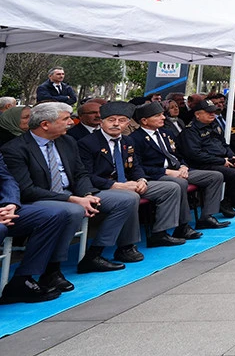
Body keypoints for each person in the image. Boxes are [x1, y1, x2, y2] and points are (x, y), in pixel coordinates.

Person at [0, 102, 140, 273]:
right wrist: (72, 199)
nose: (71, 122)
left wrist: (87, 194)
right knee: (73, 210)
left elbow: (80, 174)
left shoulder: (67, 141)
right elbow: (27, 190)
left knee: (126, 199)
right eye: (66, 119)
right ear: (45, 124)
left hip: (74, 193)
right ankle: (52, 270)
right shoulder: (15, 148)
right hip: (42, 198)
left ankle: (94, 254)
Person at [77, 102, 190, 248]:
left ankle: (160, 234)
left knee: (170, 188)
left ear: (128, 123)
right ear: (101, 122)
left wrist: (141, 179)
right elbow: (86, 175)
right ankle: (127, 246)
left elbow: (135, 166)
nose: (116, 124)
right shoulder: (87, 143)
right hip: (103, 186)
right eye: (111, 120)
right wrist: (115, 185)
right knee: (131, 197)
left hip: (128, 182)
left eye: (122, 120)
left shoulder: (127, 140)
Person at [129, 101, 228, 230]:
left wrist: (183, 166)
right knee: (180, 183)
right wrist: (167, 172)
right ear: (144, 120)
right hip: (158, 174)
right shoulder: (135, 138)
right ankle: (183, 226)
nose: (163, 118)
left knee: (215, 176)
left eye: (162, 114)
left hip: (178, 169)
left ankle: (207, 217)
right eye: (158, 115)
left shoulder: (165, 133)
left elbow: (178, 154)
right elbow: (138, 166)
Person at [0, 148, 80, 304]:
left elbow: (7, 179)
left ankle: (22, 280)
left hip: (4, 210)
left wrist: (10, 203)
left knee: (52, 215)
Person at [178, 100, 235, 216]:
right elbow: (195, 155)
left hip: (222, 160)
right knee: (234, 174)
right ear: (197, 114)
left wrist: (232, 156)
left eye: (213, 112)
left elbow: (224, 144)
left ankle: (228, 201)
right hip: (204, 164)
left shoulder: (214, 125)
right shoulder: (190, 131)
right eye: (208, 112)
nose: (212, 114)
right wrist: (222, 161)